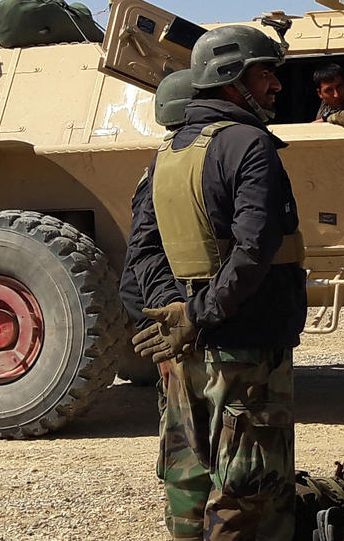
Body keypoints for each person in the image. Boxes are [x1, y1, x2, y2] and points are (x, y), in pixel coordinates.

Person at [131, 24, 308, 541]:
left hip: (189, 348)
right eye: (264, 74)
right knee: (252, 495)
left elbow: (144, 249)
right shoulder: (249, 145)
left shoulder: (168, 153)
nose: (276, 85)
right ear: (232, 78)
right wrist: (196, 315)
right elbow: (255, 250)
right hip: (245, 350)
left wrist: (177, 316)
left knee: (189, 482)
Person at [119, 69, 201, 539]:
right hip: (175, 321)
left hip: (168, 318)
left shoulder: (165, 163)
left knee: (184, 446)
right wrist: (171, 314)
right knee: (187, 449)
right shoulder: (169, 168)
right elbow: (145, 255)